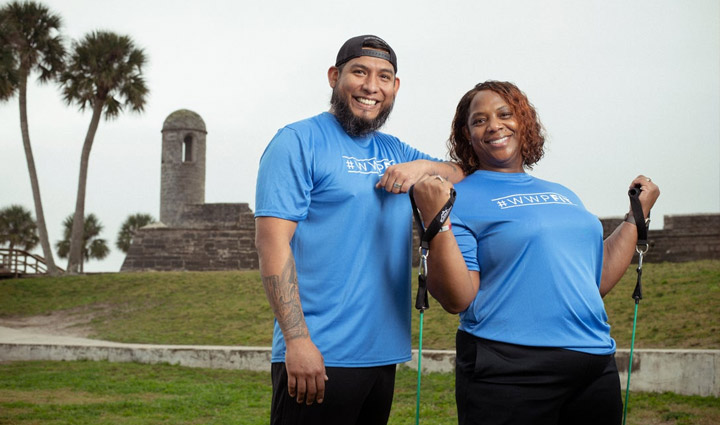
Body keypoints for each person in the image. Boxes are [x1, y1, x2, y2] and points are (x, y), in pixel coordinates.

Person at [411, 80, 660, 425]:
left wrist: (636, 216)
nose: (494, 125)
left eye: (504, 114)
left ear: (523, 122)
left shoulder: (564, 194)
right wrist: (436, 220)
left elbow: (595, 280)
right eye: (479, 120)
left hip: (594, 363)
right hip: (510, 369)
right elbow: (458, 299)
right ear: (467, 135)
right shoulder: (459, 198)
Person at [254, 35, 463, 425]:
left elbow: (460, 172)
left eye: (384, 76)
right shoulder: (297, 142)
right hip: (318, 356)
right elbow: (272, 245)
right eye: (359, 72)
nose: (371, 86)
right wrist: (298, 341)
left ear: (395, 87)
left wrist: (420, 168)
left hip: (382, 357)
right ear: (335, 76)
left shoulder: (396, 150)